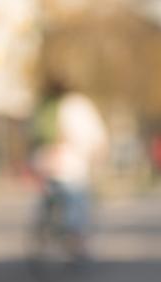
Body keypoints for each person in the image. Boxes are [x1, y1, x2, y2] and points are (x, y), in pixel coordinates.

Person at [30, 79, 108, 262]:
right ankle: (76, 241)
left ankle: (44, 230)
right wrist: (99, 157)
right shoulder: (79, 106)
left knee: (49, 196)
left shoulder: (46, 106)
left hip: (44, 162)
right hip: (72, 164)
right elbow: (97, 136)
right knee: (77, 203)